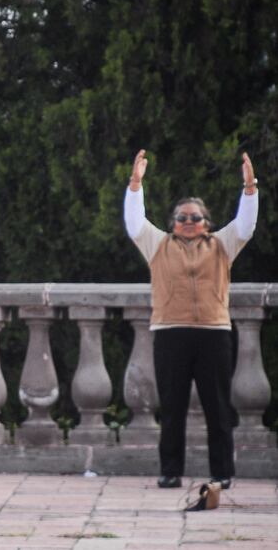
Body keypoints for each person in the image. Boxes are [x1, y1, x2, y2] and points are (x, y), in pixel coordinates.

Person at [124, 149, 258, 489]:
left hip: (213, 332)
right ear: (172, 224)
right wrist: (136, 184)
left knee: (217, 408)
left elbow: (245, 225)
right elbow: (135, 223)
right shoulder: (158, 246)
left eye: (195, 217)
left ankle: (221, 473)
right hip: (171, 332)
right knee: (172, 407)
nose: (188, 222)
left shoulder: (222, 246)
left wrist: (250, 189)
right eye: (182, 217)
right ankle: (170, 471)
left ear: (206, 223)